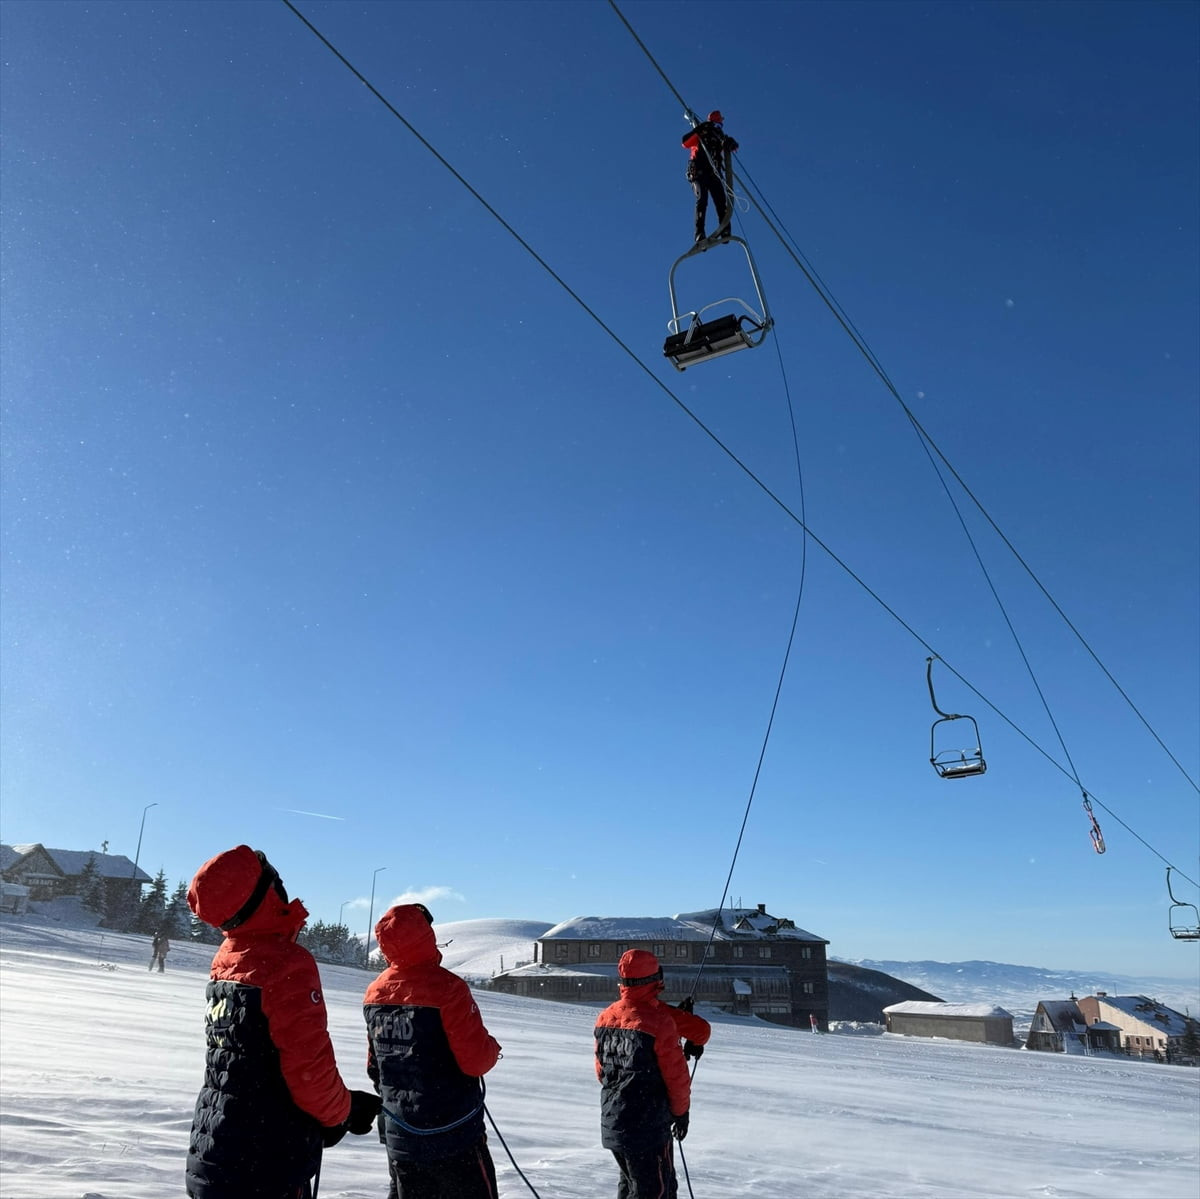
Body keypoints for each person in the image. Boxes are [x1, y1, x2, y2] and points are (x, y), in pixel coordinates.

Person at [184, 844, 380, 1199]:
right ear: (264, 892)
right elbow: (309, 1069)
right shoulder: (284, 963)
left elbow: (256, 1061)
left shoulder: (228, 959)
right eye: (274, 876)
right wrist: (343, 1112)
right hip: (263, 1165)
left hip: (216, 1150)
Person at [364, 903, 502, 1199]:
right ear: (426, 935)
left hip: (401, 1136)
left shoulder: (375, 991)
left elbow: (375, 1066)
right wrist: (493, 1048)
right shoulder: (448, 987)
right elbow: (476, 1060)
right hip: (453, 1135)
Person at [594, 949, 712, 1199]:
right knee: (657, 1191)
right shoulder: (660, 1021)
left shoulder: (605, 1018)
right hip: (648, 1127)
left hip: (614, 1122)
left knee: (630, 1188)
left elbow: (602, 1073)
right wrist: (681, 1113)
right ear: (656, 978)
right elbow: (677, 1078)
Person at [681, 110, 739, 244]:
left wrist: (730, 143)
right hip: (699, 172)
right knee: (702, 200)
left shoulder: (719, 137)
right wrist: (699, 129)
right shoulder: (702, 132)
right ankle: (699, 233)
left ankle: (725, 229)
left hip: (713, 173)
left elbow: (726, 144)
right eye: (718, 125)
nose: (718, 129)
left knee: (721, 201)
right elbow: (685, 142)